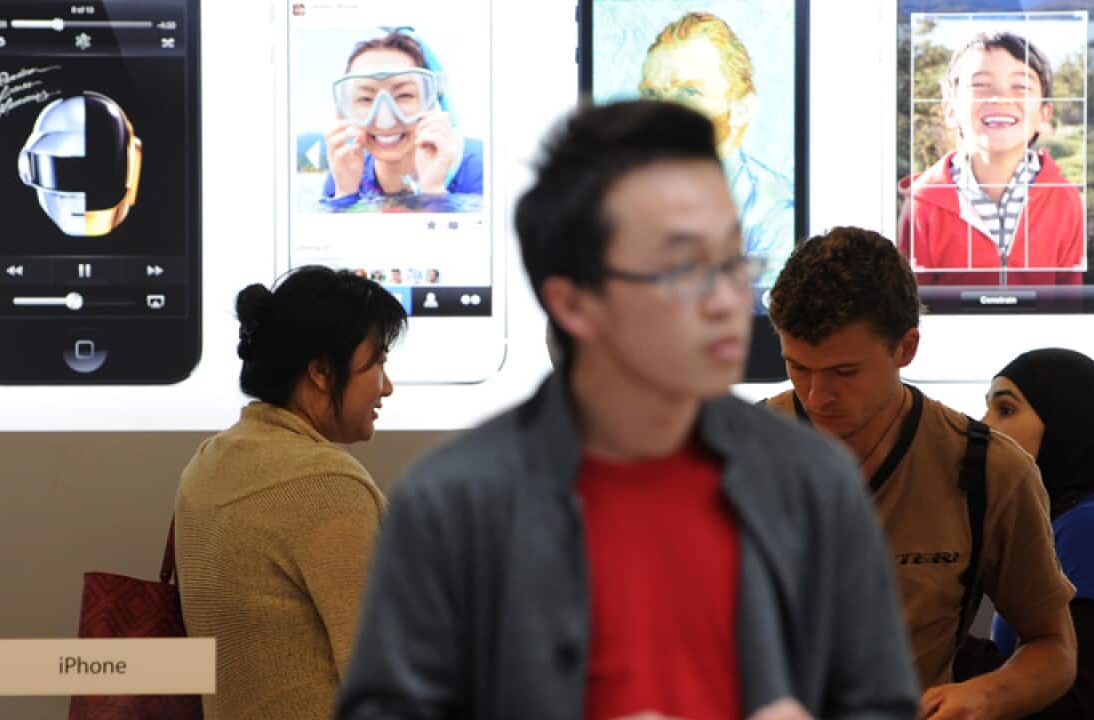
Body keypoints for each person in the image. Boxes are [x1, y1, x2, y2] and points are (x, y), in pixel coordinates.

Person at [335, 100, 917, 719]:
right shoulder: (455, 503)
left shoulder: (811, 484)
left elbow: (879, 702)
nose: (728, 300)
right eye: (686, 268)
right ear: (575, 302)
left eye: (732, 260)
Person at [763, 227, 1077, 717]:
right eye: (797, 367)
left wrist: (982, 696)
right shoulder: (732, 458)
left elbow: (1055, 649)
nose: (817, 396)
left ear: (906, 348)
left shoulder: (990, 470)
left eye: (844, 373)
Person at [175, 266, 406, 720]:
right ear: (321, 371)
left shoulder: (208, 461)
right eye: (376, 363)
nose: (387, 386)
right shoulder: (326, 488)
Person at [954, 348, 1094, 719]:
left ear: (1066, 423)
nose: (984, 425)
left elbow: (1072, 701)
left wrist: (927, 637)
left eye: (1005, 410)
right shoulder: (1086, 515)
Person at [898, 31, 1084, 286]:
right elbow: (909, 310)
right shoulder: (922, 204)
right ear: (951, 111)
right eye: (981, 85)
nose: (1000, 98)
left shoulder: (1065, 200)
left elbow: (1071, 307)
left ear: (1043, 113)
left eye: (1020, 86)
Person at [638, 11, 794, 287]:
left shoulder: (775, 214)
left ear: (742, 108)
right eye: (651, 94)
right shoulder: (628, 203)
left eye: (688, 92)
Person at [322, 30, 483, 209]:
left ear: (430, 101)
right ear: (347, 111)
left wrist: (433, 191)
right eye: (366, 99)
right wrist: (345, 194)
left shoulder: (479, 166)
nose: (385, 120)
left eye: (404, 95)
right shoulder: (346, 170)